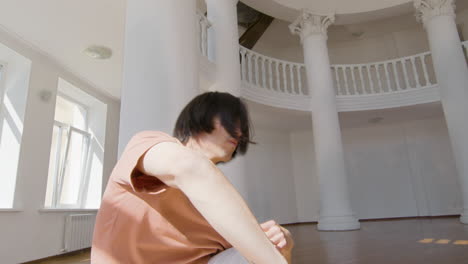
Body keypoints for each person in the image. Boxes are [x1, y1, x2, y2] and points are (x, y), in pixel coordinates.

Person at [91, 92, 294, 263]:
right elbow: (188, 167)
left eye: (241, 126)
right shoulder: (148, 143)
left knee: (267, 242)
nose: (239, 132)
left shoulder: (220, 204)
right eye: (230, 120)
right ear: (198, 118)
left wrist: (280, 240)